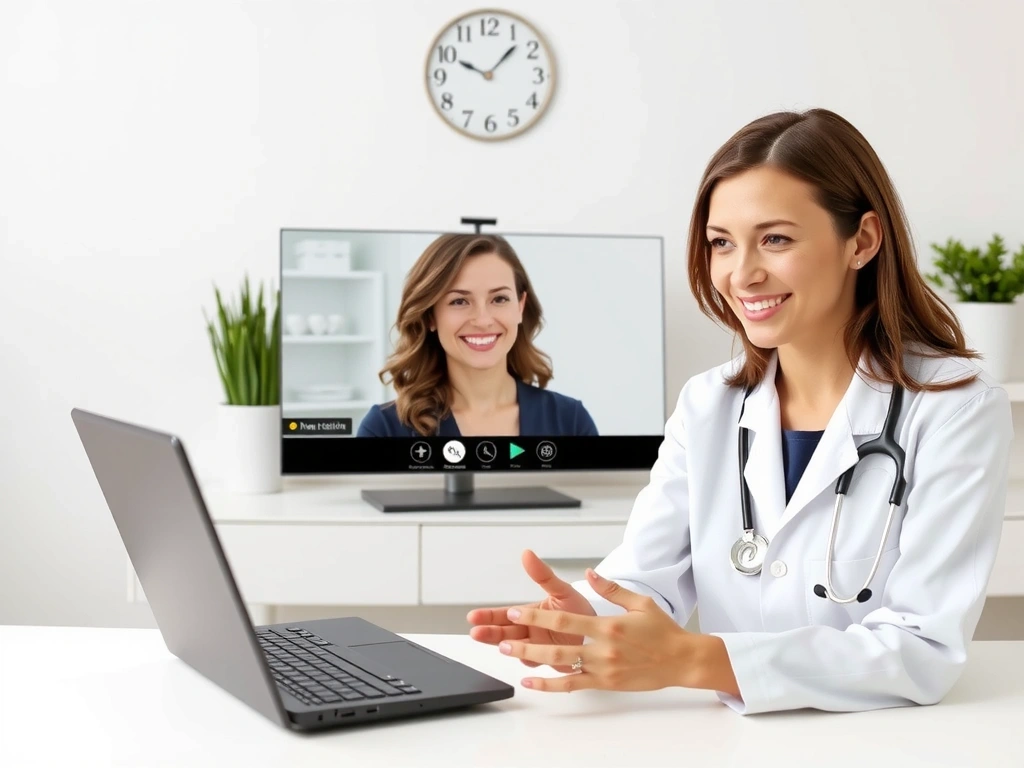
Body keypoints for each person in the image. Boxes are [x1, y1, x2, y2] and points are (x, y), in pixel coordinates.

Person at [467, 108, 1013, 715]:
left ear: (861, 240)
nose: (741, 274)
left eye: (775, 239)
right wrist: (582, 624)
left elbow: (922, 648)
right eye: (721, 243)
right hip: (731, 742)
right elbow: (645, 583)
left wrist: (694, 660)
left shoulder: (953, 407)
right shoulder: (709, 404)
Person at [356, 233, 599, 438]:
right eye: (459, 301)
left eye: (499, 299)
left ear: (520, 307)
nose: (482, 320)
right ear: (430, 316)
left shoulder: (571, 421)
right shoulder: (383, 429)